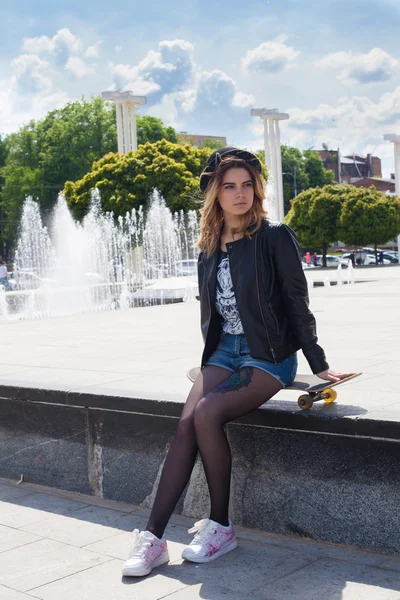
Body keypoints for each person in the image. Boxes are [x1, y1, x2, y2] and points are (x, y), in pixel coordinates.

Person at [122, 147, 355, 578]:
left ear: (257, 189)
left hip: (269, 354)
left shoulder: (273, 236)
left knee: (208, 414)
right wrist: (211, 361)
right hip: (224, 352)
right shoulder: (209, 246)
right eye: (229, 186)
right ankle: (153, 538)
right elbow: (212, 314)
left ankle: (221, 527)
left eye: (247, 184)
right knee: (186, 422)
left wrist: (317, 362)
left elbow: (295, 301)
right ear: (214, 192)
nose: (240, 193)